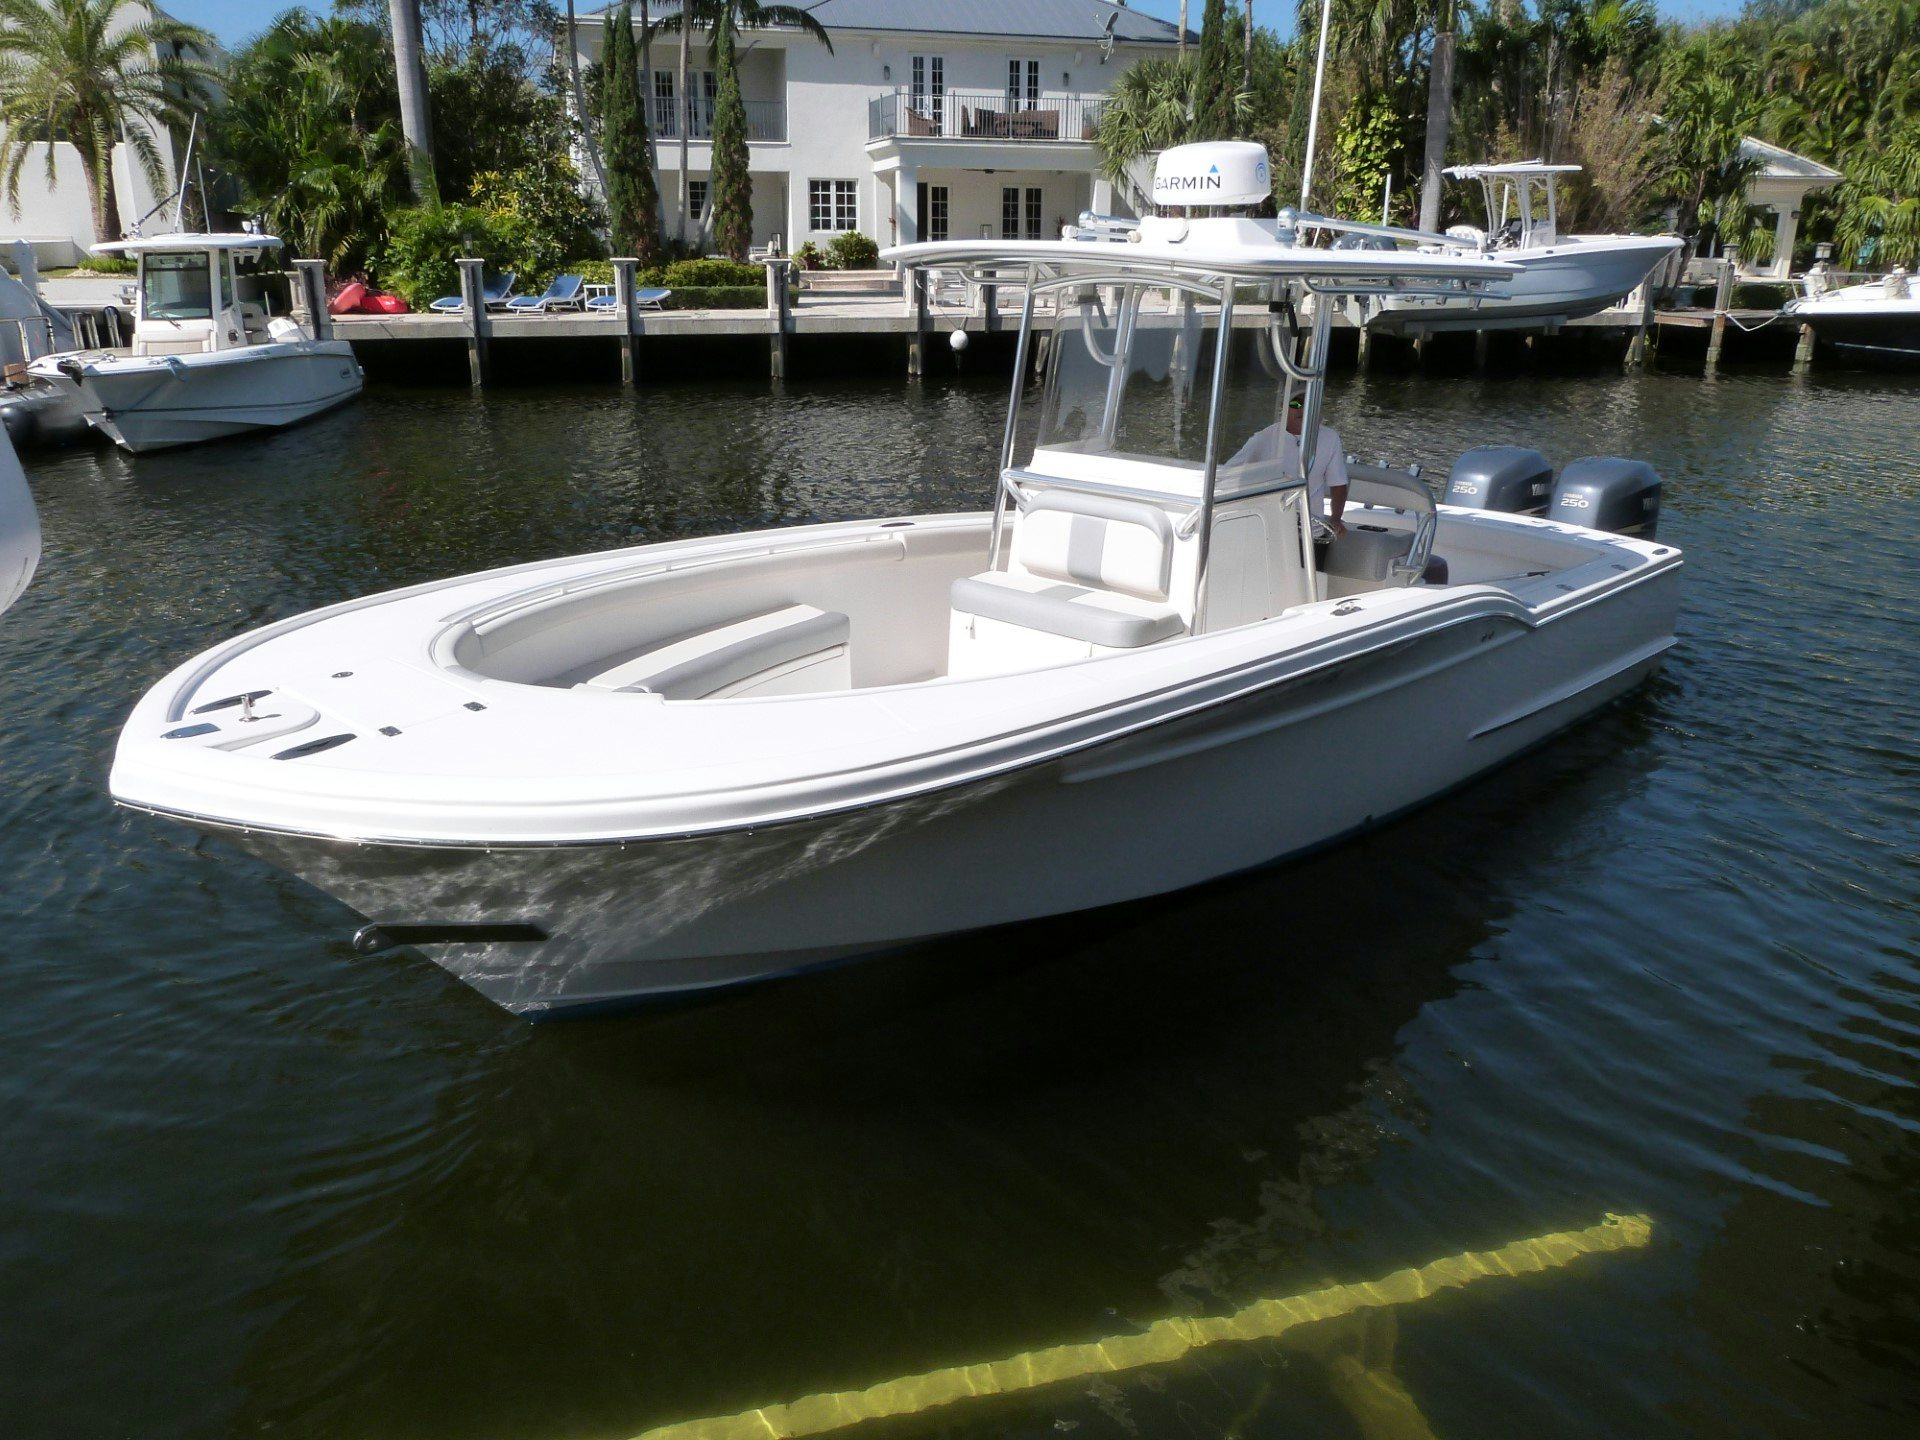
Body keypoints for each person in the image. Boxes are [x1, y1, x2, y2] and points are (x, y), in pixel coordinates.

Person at [1225, 394, 1349, 553]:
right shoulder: (1264, 438)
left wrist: (1336, 518)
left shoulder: (1330, 438)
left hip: (1311, 533)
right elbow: (1229, 473)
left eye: (1309, 403)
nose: (1302, 409)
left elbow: (1338, 484)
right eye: (1296, 403)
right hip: (1271, 530)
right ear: (1283, 406)